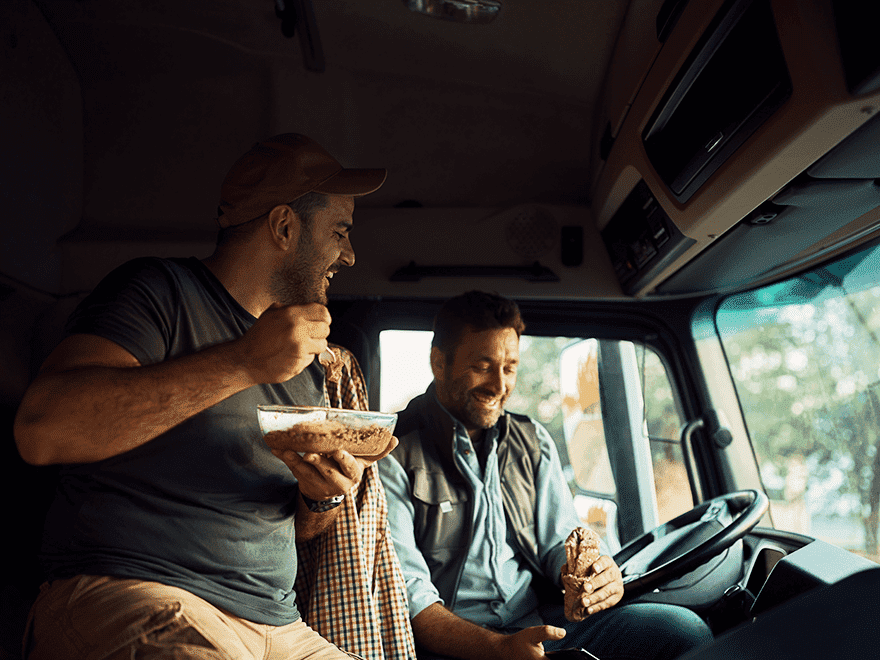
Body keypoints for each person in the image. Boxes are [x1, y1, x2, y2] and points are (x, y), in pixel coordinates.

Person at [13, 133, 415, 660]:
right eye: (340, 232)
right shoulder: (157, 291)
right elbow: (41, 430)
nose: (351, 254)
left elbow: (298, 526)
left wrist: (323, 495)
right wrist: (243, 361)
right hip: (137, 592)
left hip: (277, 623)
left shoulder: (307, 357)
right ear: (284, 227)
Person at [377, 290, 714, 660]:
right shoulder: (391, 451)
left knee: (683, 631)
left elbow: (557, 542)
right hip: (454, 645)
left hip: (541, 624)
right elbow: (409, 597)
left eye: (509, 368)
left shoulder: (532, 439)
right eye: (482, 366)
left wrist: (591, 575)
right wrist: (499, 648)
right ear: (439, 363)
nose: (499, 385)